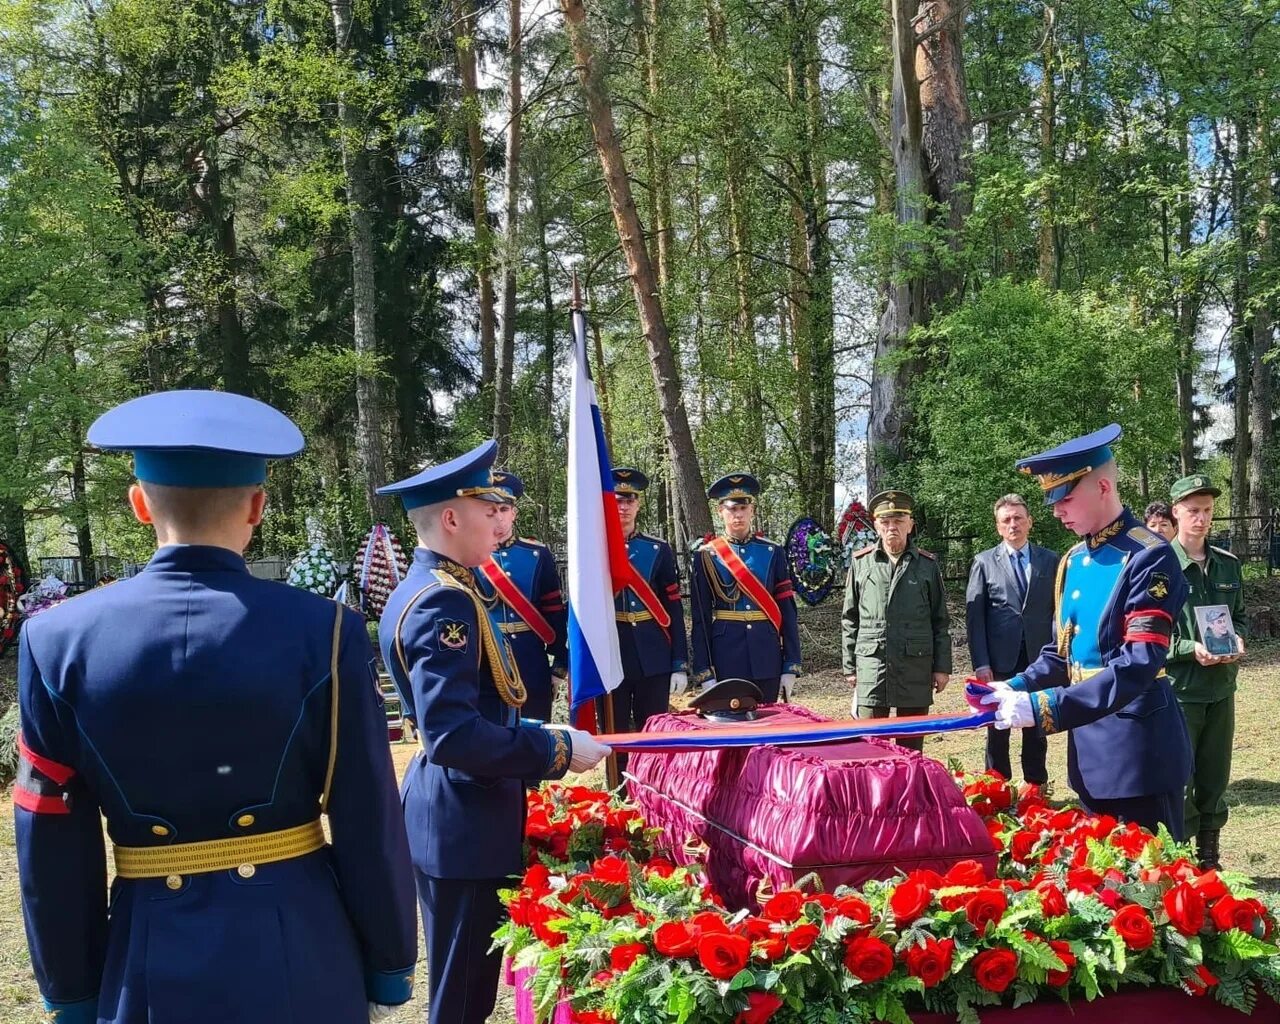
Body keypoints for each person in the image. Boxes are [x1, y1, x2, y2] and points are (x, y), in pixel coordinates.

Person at [14, 390, 417, 1024]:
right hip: (302, 948)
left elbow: (52, 843)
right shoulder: (327, 631)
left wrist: (72, 991)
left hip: (148, 957)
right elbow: (368, 813)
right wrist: (389, 964)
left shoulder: (54, 640)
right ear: (258, 505)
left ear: (140, 505)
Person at [377, 440, 610, 1024]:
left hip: (457, 812)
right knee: (462, 997)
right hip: (464, 819)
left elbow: (473, 710)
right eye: (488, 510)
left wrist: (533, 727)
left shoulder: (433, 588)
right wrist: (555, 750)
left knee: (467, 988)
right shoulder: (444, 605)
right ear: (451, 518)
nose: (500, 524)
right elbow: (454, 736)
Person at [982, 425, 1192, 837]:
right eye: (1051, 499)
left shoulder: (1148, 557)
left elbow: (1138, 664)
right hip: (1090, 755)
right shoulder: (1074, 561)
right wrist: (1016, 686)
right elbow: (1061, 654)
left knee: (1153, 887)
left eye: (1064, 497)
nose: (1055, 510)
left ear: (1102, 486)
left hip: (1138, 754)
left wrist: (1047, 708)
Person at [1165, 474, 1246, 868]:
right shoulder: (1158, 568)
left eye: (1208, 511)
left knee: (1215, 775)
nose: (1201, 518)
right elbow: (1143, 637)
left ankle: (1209, 856)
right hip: (1181, 690)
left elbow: (1240, 617)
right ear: (1176, 512)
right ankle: (1179, 857)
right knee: (1181, 778)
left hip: (1221, 687)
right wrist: (1186, 648)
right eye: (1193, 510)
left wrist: (1239, 641)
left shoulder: (1228, 566)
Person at [842, 489, 951, 752]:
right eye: (886, 522)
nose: (893, 528)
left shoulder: (926, 565)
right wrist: (850, 665)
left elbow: (940, 620)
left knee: (911, 746)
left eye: (899, 522)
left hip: (915, 665)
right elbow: (850, 618)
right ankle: (874, 794)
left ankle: (909, 793)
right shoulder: (861, 563)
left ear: (910, 525)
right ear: (877, 525)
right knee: (871, 745)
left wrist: (941, 667)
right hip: (872, 664)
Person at [965, 494, 1056, 785]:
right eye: (1007, 520)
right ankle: (997, 785)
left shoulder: (1051, 561)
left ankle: (1036, 785)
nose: (1013, 524)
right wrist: (981, 663)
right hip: (999, 659)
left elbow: (1058, 611)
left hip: (1039, 658)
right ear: (998, 526)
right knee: (997, 726)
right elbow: (975, 619)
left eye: (1018, 518)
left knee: (1036, 723)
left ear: (1030, 522)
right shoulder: (983, 562)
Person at [689, 473, 801, 703]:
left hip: (767, 652)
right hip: (726, 655)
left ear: (753, 511)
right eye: (732, 509)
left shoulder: (773, 552)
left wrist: (791, 664)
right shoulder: (706, 556)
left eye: (743, 507)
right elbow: (700, 617)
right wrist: (704, 671)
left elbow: (788, 611)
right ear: (720, 511)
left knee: (770, 724)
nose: (738, 514)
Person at [470, 471, 568, 722]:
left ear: (514, 513)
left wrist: (559, 665)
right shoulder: (468, 557)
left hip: (530, 656)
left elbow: (554, 612)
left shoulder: (537, 554)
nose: (498, 518)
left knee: (536, 734)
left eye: (504, 509)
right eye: (490, 510)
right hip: (485, 657)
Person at [610, 468, 689, 758]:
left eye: (630, 500)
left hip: (653, 652)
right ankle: (617, 795)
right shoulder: (595, 548)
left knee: (653, 731)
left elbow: (673, 607)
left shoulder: (657, 549)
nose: (624, 507)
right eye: (618, 500)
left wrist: (679, 661)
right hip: (611, 654)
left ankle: (650, 793)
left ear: (638, 504)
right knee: (614, 733)